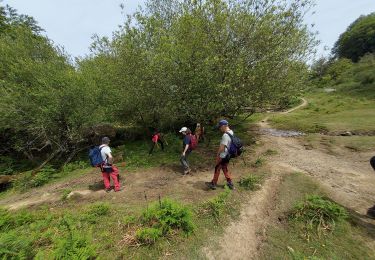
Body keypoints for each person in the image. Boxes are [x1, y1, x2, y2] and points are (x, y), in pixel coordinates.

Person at [206, 119, 234, 190]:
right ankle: (230, 183)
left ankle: (213, 184)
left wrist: (218, 155)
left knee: (217, 168)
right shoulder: (231, 132)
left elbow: (222, 148)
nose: (220, 128)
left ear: (224, 126)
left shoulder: (225, 135)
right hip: (228, 155)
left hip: (223, 155)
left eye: (220, 127)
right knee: (224, 168)